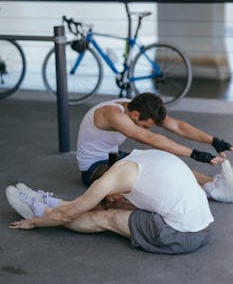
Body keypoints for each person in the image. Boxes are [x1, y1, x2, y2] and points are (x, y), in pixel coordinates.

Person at [7, 149, 233, 255]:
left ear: (106, 188)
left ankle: (38, 210)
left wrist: (35, 223)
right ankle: (51, 201)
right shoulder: (136, 157)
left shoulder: (108, 183)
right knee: (112, 204)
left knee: (105, 216)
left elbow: (69, 215)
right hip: (203, 226)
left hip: (182, 235)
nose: (109, 200)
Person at [76, 92, 233, 187]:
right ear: (135, 115)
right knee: (149, 184)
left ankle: (214, 185)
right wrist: (196, 154)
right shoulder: (113, 114)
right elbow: (151, 138)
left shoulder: (135, 107)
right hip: (94, 169)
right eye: (145, 125)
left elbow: (178, 126)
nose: (147, 128)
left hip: (114, 157)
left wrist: (213, 141)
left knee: (167, 163)